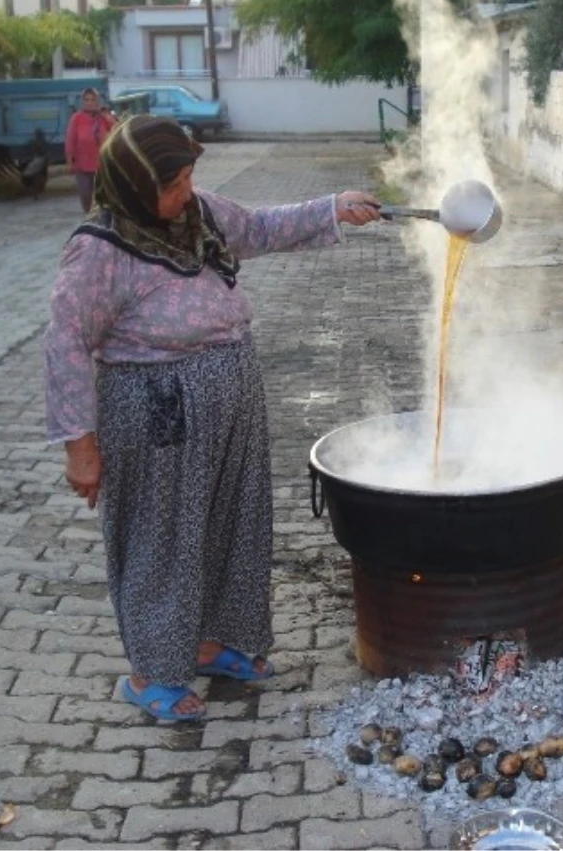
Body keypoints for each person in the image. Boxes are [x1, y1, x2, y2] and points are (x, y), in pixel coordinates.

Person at [43, 116, 381, 720]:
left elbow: (259, 226)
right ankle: (153, 673)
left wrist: (335, 207)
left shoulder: (197, 215)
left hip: (231, 397)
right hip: (155, 412)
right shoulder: (99, 250)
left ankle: (210, 642)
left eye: (189, 176)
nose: (185, 192)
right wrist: (79, 446)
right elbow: (66, 342)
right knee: (163, 536)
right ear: (131, 184)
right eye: (172, 183)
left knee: (232, 520)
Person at [64, 88, 117, 213]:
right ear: (82, 101)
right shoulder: (76, 118)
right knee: (86, 196)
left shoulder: (103, 117)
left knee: (102, 197)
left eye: (93, 100)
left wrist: (108, 118)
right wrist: (69, 161)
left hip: (100, 166)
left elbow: (116, 131)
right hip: (82, 165)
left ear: (97, 101)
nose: (90, 102)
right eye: (86, 100)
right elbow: (70, 140)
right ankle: (90, 217)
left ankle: (101, 220)